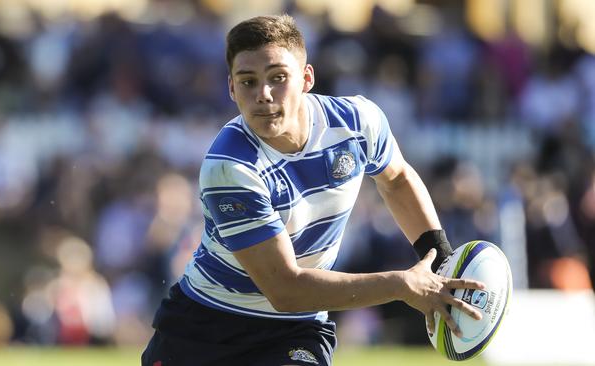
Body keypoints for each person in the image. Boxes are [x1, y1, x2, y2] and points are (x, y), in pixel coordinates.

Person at [141, 14, 485, 366]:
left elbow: (396, 178)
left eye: (278, 78)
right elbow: (286, 290)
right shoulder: (230, 167)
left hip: (296, 328)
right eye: (248, 82)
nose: (264, 94)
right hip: (203, 330)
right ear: (231, 89)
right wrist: (401, 285)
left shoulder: (358, 121)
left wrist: (442, 260)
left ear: (306, 78)